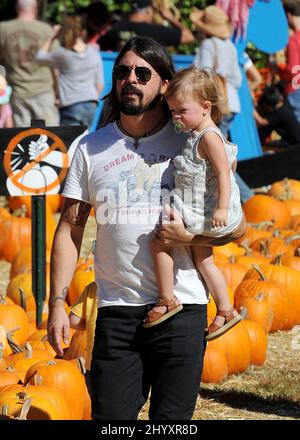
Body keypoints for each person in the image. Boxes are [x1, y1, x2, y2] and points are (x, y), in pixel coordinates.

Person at [48, 36, 210, 421]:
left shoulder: (193, 143)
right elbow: (70, 229)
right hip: (117, 311)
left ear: (164, 84)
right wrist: (56, 302)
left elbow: (234, 225)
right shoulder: (89, 148)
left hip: (182, 308)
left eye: (142, 72)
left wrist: (190, 237)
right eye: (122, 72)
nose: (131, 80)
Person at [143, 67, 244, 341]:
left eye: (181, 111)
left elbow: (225, 172)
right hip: (202, 207)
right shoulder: (198, 134)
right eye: (172, 110)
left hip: (203, 209)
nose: (175, 117)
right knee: (204, 260)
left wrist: (222, 208)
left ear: (205, 107)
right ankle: (226, 309)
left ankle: (167, 298)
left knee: (158, 241)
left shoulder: (209, 137)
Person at [191, 5, 254, 204]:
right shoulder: (230, 46)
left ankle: (246, 197)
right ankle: (236, 197)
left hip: (215, 104)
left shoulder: (208, 45)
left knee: (218, 157)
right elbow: (237, 79)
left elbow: (202, 74)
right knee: (220, 154)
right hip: (231, 104)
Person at [35, 16, 104, 128]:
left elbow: (39, 57)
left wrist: (52, 37)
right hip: (91, 104)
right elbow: (100, 85)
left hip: (71, 105)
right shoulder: (94, 52)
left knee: (69, 143)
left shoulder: (62, 54)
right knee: (84, 142)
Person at [0, 0, 58, 127]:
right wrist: (58, 92)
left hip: (17, 92)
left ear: (16, 7)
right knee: (50, 136)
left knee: (21, 139)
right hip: (44, 91)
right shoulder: (46, 30)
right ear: (35, 8)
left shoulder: (3, 28)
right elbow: (56, 65)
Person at [98, 0, 195, 52]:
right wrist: (171, 18)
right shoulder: (156, 31)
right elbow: (189, 37)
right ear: (148, 11)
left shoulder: (115, 29)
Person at [69, 281, 98, 395]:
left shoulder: (92, 288)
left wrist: (90, 325)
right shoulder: (132, 288)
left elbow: (73, 320)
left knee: (96, 406)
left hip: (93, 363)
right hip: (124, 362)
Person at [276, 1, 300, 122]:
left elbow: (293, 70)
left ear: (288, 16)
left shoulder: (294, 40)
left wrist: (278, 69)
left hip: (296, 89)